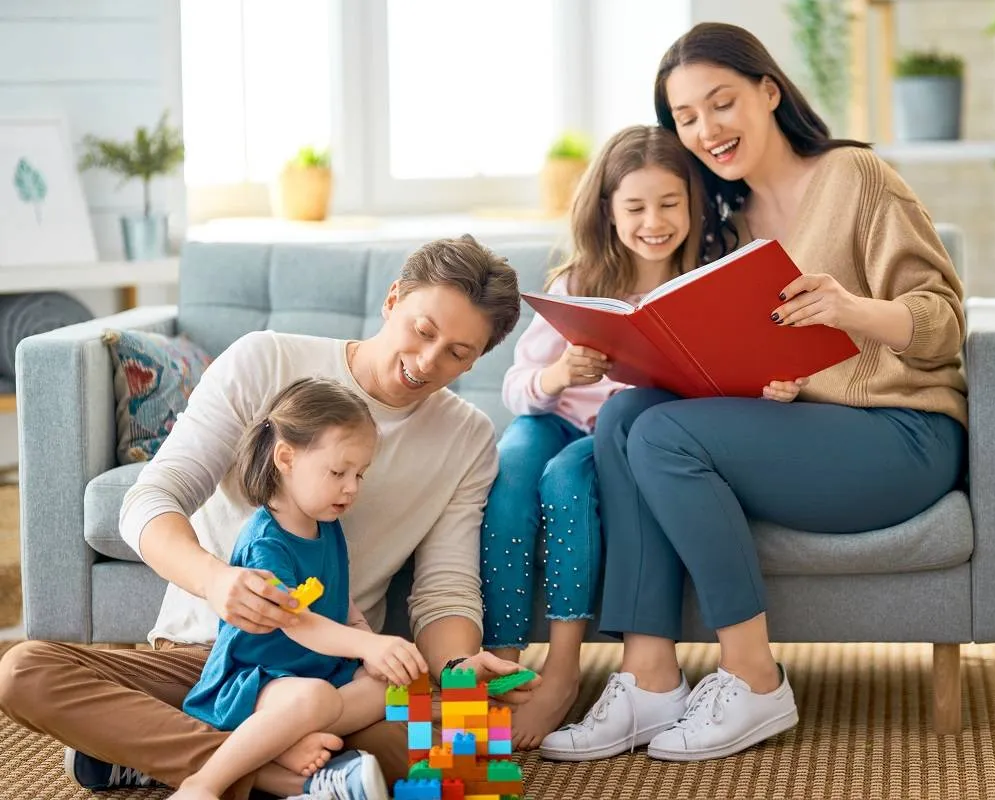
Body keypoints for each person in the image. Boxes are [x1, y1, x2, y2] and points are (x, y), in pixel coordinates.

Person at [540, 22, 968, 763]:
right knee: (627, 415)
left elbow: (945, 322)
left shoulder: (856, 177)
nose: (707, 129)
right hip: (807, 440)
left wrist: (851, 309)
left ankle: (754, 677)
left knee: (663, 433)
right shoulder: (728, 226)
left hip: (902, 437)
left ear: (769, 92)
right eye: (687, 117)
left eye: (722, 103)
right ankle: (649, 680)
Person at [0, 235, 537, 800]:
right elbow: (151, 499)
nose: (428, 362)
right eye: (423, 331)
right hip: (210, 661)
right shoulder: (265, 360)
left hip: (336, 672)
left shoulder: (467, 437)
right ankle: (272, 771)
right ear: (392, 299)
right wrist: (216, 581)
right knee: (24, 672)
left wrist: (457, 666)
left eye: (457, 353)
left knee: (447, 762)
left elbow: (445, 589)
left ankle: (153, 752)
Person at [482, 124, 705, 750]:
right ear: (608, 210)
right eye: (635, 207)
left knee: (565, 479)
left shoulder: (701, 283)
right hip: (553, 419)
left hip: (619, 440)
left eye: (669, 204)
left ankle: (561, 670)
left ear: (692, 204)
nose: (653, 222)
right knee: (510, 474)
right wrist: (557, 375)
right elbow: (517, 387)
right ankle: (502, 664)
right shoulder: (578, 282)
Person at [174, 376, 425, 800]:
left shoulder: (328, 525)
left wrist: (365, 640)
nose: (352, 487)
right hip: (256, 680)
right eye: (339, 472)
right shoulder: (266, 542)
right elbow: (300, 623)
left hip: (316, 672)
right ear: (286, 458)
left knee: (388, 687)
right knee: (317, 699)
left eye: (360, 474)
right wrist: (370, 646)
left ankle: (282, 743)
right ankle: (203, 783)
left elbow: (342, 602)